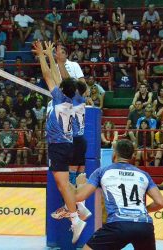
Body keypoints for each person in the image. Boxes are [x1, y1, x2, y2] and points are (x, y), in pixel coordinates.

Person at [32, 40, 86, 244]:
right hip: (69, 143)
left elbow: (49, 76)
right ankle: (77, 209)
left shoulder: (58, 98)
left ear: (62, 89)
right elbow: (57, 76)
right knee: (63, 183)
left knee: (63, 184)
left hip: (58, 145)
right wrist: (50, 57)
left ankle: (75, 217)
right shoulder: (77, 99)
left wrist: (42, 56)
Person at [74, 139, 163, 250]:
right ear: (133, 155)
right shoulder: (143, 174)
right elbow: (161, 203)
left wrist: (77, 184)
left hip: (118, 224)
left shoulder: (102, 172)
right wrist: (142, 211)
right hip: (144, 225)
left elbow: (79, 197)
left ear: (114, 154)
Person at [50, 43, 91, 223]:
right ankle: (80, 205)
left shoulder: (71, 98)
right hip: (81, 138)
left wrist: (57, 61)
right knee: (80, 173)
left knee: (70, 176)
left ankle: (72, 208)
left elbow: (66, 82)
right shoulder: (80, 100)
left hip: (72, 138)